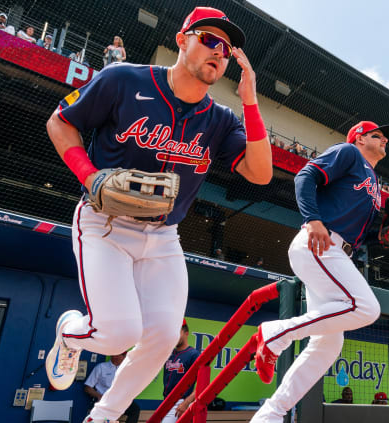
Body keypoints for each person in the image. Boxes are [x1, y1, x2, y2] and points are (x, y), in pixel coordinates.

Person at [43, 6, 270, 423]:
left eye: (227, 47)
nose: (219, 52)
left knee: (164, 337)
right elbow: (60, 122)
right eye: (209, 40)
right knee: (120, 333)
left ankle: (104, 416)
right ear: (182, 40)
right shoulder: (123, 79)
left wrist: (251, 101)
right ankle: (70, 331)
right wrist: (90, 176)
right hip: (104, 222)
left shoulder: (220, 119)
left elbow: (260, 172)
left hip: (164, 236)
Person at [251, 121, 389, 422]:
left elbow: (358, 225)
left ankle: (270, 415)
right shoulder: (349, 153)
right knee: (366, 308)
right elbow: (306, 175)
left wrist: (383, 229)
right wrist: (312, 218)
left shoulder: (374, 179)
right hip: (320, 243)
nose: (385, 140)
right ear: (360, 138)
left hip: (337, 252)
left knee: (329, 344)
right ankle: (275, 333)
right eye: (379, 135)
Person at [84, 353, 139, 423]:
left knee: (135, 409)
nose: (125, 357)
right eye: (123, 355)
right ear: (115, 356)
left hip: (119, 400)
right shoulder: (101, 367)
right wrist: (99, 396)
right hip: (104, 400)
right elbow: (87, 387)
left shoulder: (125, 369)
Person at [162, 320, 199, 423]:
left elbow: (202, 385)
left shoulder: (193, 354)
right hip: (166, 401)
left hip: (180, 402)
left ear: (186, 333)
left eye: (178, 332)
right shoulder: (169, 353)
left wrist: (186, 403)